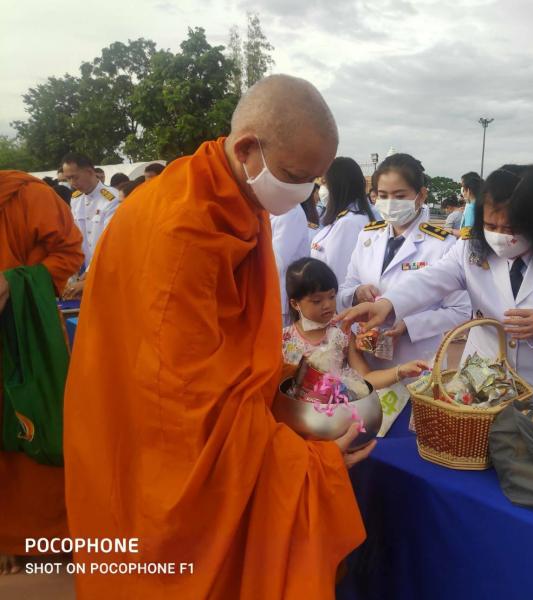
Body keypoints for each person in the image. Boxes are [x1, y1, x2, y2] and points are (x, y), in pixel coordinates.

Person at [63, 74, 372, 599]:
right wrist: (308, 464)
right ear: (249, 148)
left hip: (151, 404)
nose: (304, 193)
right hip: (154, 440)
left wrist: (282, 380)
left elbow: (224, 344)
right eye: (298, 176)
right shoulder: (184, 228)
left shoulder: (222, 193)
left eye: (314, 181)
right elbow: (184, 406)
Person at [337, 164, 533, 420]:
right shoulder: (472, 248)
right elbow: (430, 279)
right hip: (479, 388)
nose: (502, 237)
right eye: (491, 226)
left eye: (513, 228)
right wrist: (387, 304)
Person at [0, 171, 83, 575]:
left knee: (41, 429)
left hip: (29, 336)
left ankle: (51, 540)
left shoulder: (26, 194)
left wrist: (13, 285)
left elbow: (70, 254)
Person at [339, 153, 471, 374]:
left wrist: (410, 325)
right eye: (383, 195)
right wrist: (356, 293)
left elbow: (460, 309)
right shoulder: (368, 236)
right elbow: (346, 288)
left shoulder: (442, 245)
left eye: (399, 195)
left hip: (415, 360)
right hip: (364, 358)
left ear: (421, 195)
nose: (390, 202)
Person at [282, 257, 428, 387]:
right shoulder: (283, 339)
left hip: (335, 413)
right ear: (295, 304)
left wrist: (400, 371)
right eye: (317, 300)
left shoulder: (341, 334)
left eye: (332, 296)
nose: (327, 305)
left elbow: (366, 378)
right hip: (293, 412)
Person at [61, 152, 120, 299]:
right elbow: (74, 239)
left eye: (74, 177)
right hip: (85, 274)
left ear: (89, 172)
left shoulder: (112, 199)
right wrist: (72, 275)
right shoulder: (76, 199)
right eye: (68, 178)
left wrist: (89, 275)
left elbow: (109, 244)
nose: (71, 183)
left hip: (108, 273)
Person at [311, 157, 376, 288]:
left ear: (338, 185)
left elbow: (341, 279)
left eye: (324, 182)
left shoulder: (348, 223)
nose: (322, 189)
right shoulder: (348, 217)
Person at [272, 202, 311, 325]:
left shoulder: (289, 211)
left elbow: (277, 261)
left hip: (279, 299)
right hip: (269, 297)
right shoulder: (272, 207)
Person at [459, 171, 483, 237]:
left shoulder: (471, 208)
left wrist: (452, 231)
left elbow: (467, 234)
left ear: (469, 190)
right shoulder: (481, 205)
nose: (462, 192)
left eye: (463, 188)